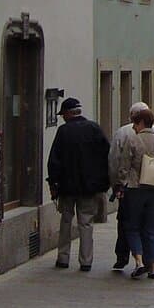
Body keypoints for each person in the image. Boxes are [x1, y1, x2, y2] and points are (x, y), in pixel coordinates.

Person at [46, 97, 111, 272]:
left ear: (68, 113)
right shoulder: (94, 129)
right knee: (86, 223)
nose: (63, 118)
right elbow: (106, 156)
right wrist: (103, 182)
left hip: (67, 187)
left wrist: (53, 183)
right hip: (89, 187)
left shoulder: (63, 132)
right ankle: (86, 261)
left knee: (66, 221)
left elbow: (54, 161)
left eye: (63, 115)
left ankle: (63, 258)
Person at [108, 101, 154, 270]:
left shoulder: (130, 137)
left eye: (135, 122)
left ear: (139, 121)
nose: (133, 126)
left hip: (135, 188)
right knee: (151, 229)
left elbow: (120, 164)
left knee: (131, 225)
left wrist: (118, 184)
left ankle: (137, 260)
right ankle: (153, 267)